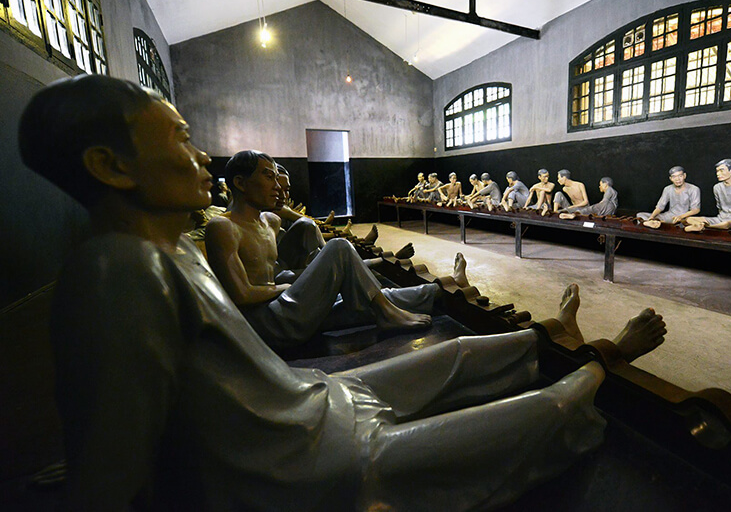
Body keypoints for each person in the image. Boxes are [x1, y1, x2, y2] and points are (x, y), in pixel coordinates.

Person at [19, 75, 668, 512]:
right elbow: (115, 467)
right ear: (111, 165)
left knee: (460, 352)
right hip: (303, 463)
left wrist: (89, 459)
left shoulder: (169, 250)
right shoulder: (120, 270)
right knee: (539, 417)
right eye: (183, 141)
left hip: (314, 401)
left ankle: (540, 337)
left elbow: (121, 418)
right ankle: (600, 361)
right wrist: (92, 474)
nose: (202, 161)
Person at [205, 150, 436, 351]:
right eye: (269, 177)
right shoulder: (223, 227)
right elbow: (241, 295)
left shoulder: (269, 221)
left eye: (278, 179)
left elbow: (290, 249)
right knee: (339, 247)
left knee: (366, 298)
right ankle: (387, 313)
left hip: (287, 307)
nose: (277, 187)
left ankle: (435, 293)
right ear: (240, 182)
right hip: (268, 325)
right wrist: (286, 286)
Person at [684, 159, 731, 232]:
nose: (718, 174)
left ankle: (705, 228)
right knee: (689, 219)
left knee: (727, 224)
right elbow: (720, 207)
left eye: (721, 171)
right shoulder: (717, 187)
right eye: (717, 171)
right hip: (721, 218)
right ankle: (699, 225)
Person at [637, 166, 701, 228]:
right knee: (640, 215)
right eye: (674, 177)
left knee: (690, 222)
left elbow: (696, 209)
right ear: (671, 178)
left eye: (680, 176)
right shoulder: (667, 189)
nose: (677, 179)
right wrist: (651, 217)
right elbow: (660, 206)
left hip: (684, 217)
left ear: (684, 176)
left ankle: (655, 224)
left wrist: (681, 217)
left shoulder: (693, 189)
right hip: (669, 215)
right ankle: (653, 223)